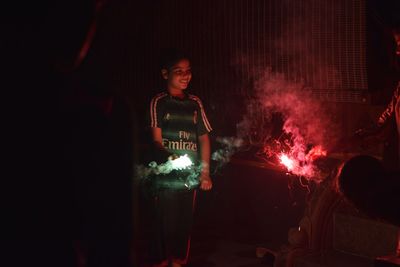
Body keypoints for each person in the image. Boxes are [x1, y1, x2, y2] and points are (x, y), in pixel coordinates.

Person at [146, 50, 213, 267]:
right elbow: (156, 140)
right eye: (178, 72)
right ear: (165, 74)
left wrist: (204, 173)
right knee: (162, 227)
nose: (185, 76)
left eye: (188, 71)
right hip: (165, 179)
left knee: (184, 228)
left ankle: (178, 263)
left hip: (189, 179)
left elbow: (203, 139)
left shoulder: (195, 103)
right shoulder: (159, 102)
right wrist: (169, 156)